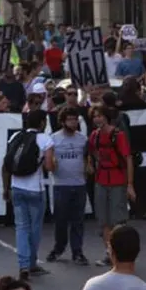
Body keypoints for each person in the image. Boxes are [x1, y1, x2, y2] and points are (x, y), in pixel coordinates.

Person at [2, 109, 55, 279]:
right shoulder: (45, 139)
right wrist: (55, 163)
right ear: (42, 123)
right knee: (35, 228)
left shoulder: (15, 136)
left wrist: (6, 188)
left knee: (21, 228)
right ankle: (32, 264)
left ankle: (23, 265)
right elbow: (48, 167)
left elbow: (6, 164)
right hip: (35, 189)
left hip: (17, 187)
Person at [88, 105, 136, 266]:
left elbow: (128, 158)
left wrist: (129, 184)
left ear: (106, 117)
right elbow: (92, 153)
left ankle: (119, 254)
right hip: (101, 180)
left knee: (118, 220)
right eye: (95, 116)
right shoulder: (94, 136)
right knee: (103, 221)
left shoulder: (118, 135)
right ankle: (109, 253)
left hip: (117, 180)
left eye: (100, 116)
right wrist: (91, 164)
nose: (97, 119)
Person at [47, 106, 89, 265]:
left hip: (79, 184)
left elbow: (86, 157)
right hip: (61, 184)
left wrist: (87, 167)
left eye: (75, 119)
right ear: (63, 121)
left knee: (78, 220)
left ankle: (77, 251)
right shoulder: (54, 138)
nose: (73, 122)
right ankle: (59, 247)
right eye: (70, 119)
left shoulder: (82, 139)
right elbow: (48, 159)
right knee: (61, 219)